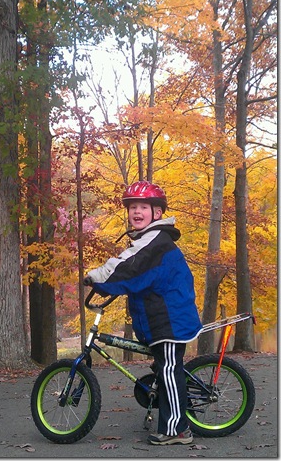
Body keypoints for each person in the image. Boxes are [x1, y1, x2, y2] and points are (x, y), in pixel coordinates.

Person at [83, 180, 202, 446]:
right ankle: (172, 409)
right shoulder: (150, 239)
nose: (136, 212)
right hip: (162, 318)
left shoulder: (155, 241)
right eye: (133, 207)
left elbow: (126, 267)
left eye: (143, 207)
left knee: (169, 369)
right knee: (164, 367)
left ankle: (177, 430)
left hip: (170, 319)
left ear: (157, 213)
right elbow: (138, 275)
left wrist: (96, 277)